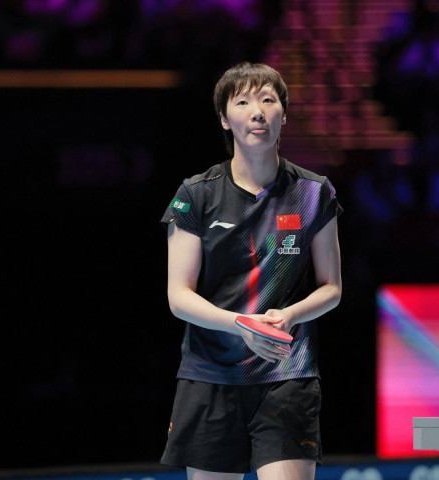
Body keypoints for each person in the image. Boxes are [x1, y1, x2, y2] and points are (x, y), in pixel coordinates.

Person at [159, 62, 343, 480]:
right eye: (242, 102)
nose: (257, 112)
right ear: (225, 119)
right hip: (210, 375)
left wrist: (290, 315)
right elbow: (179, 296)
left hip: (287, 373)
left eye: (268, 100)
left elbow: (331, 288)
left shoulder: (314, 193)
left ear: (284, 115)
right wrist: (242, 324)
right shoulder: (196, 195)